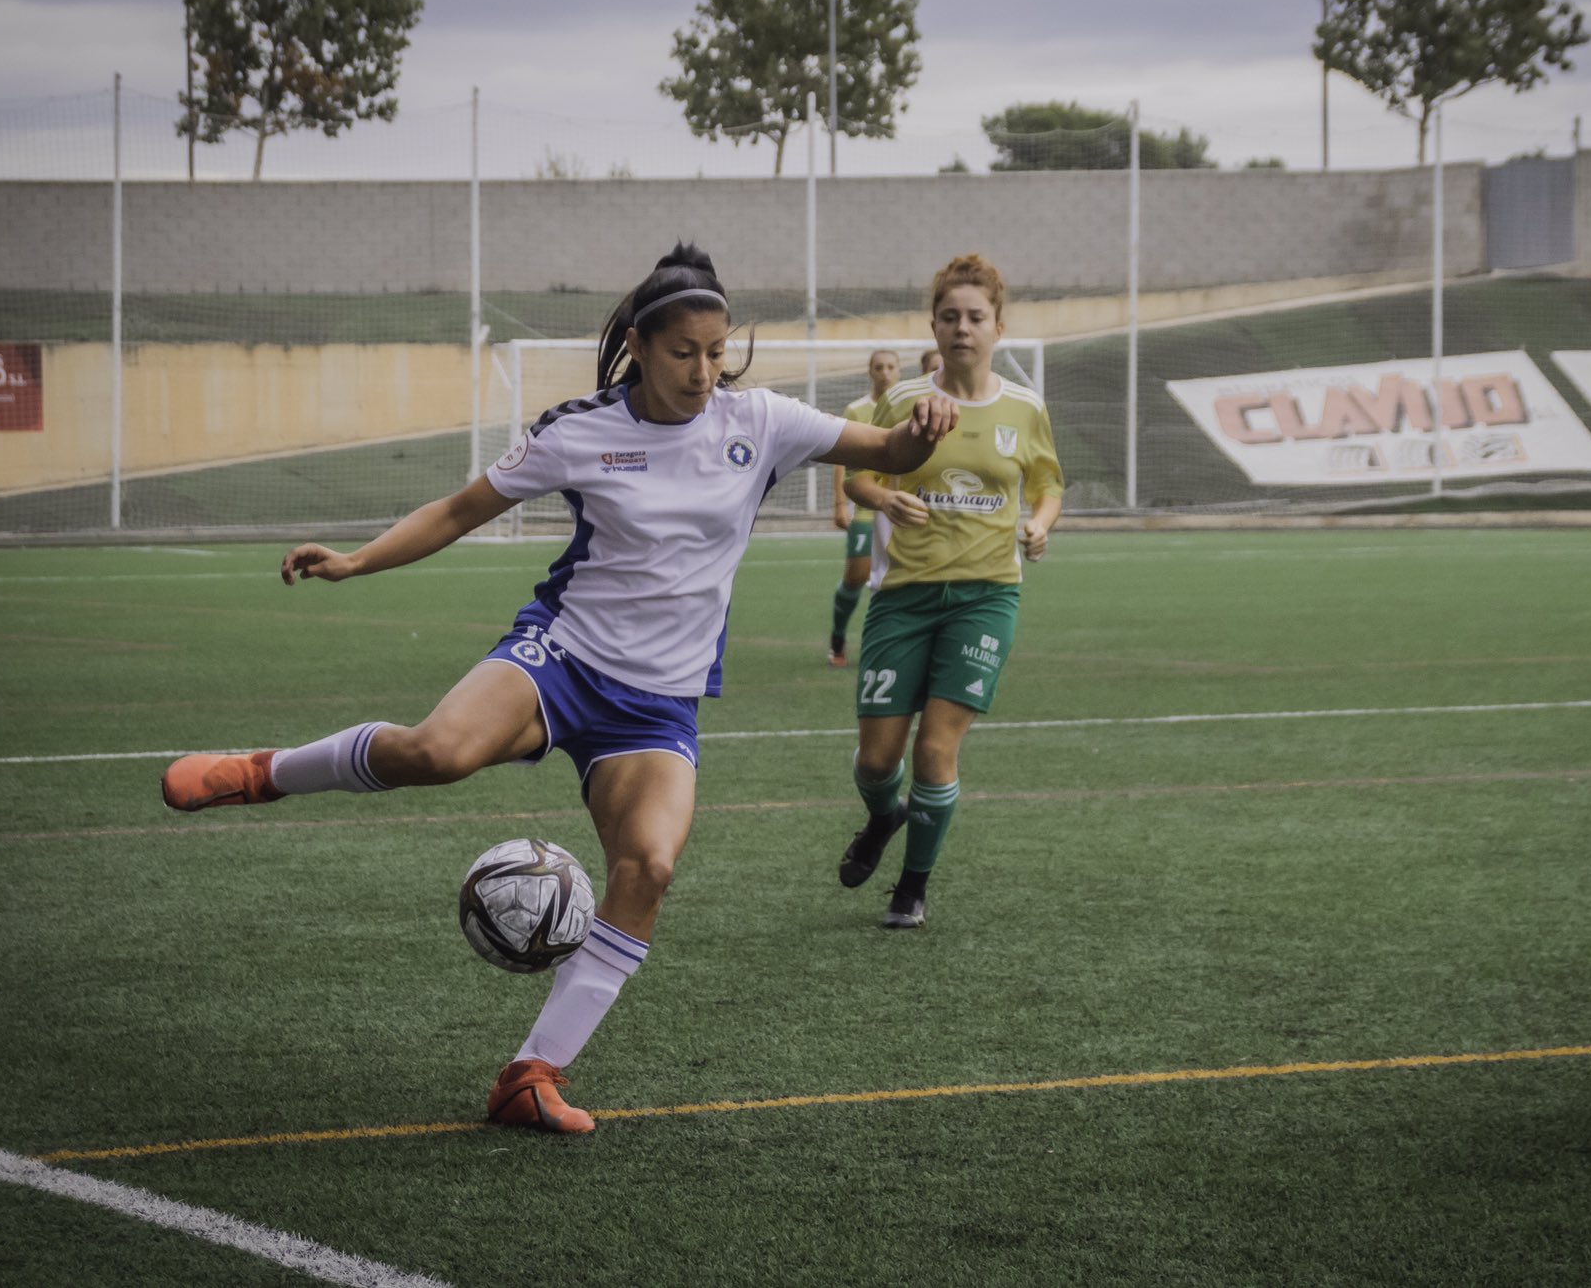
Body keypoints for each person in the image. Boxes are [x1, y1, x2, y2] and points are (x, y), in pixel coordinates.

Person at [158, 244, 956, 1134]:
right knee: (437, 751)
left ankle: (529, 1077)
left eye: (718, 350)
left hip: (658, 704)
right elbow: (460, 511)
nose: (704, 370)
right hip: (563, 658)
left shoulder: (759, 421)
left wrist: (920, 436)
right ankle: (260, 773)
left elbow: (889, 448)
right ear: (642, 346)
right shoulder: (578, 430)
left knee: (647, 866)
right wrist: (355, 561)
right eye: (685, 351)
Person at [835, 254, 1063, 928]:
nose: (962, 328)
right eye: (950, 316)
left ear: (998, 327)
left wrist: (1040, 524)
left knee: (935, 749)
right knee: (877, 763)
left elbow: (1049, 483)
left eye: (975, 317)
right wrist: (885, 499)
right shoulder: (904, 401)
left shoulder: (1024, 409)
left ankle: (912, 887)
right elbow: (855, 476)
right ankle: (884, 817)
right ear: (933, 326)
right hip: (902, 597)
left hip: (986, 596)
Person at [828, 350, 903, 667]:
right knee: (857, 576)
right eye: (878, 367)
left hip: (899, 507)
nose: (885, 373)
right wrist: (840, 503)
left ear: (899, 371)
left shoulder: (908, 407)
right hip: (864, 506)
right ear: (869, 372)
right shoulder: (857, 409)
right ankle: (838, 638)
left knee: (898, 578)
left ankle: (888, 645)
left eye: (890, 367)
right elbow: (841, 459)